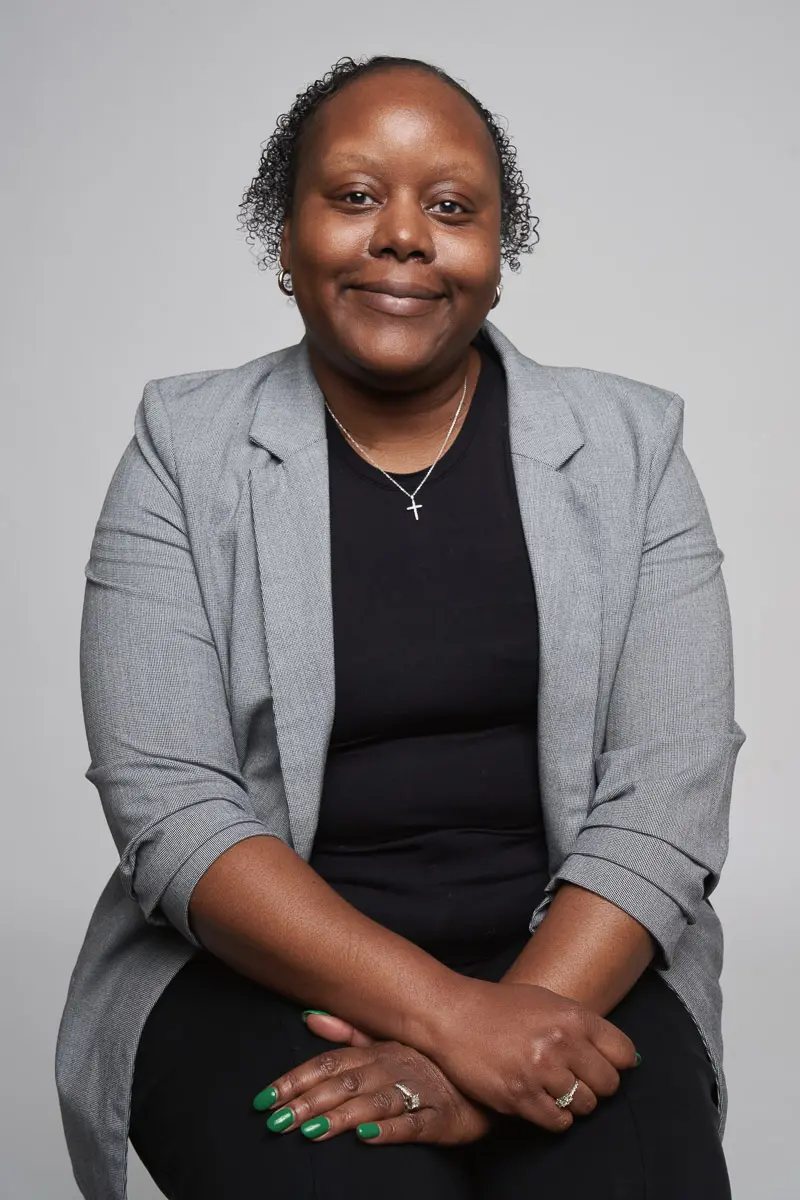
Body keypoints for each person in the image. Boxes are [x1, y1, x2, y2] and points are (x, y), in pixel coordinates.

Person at [55, 53, 747, 1200]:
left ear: (494, 252)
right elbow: (170, 809)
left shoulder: (631, 447)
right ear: (284, 239)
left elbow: (668, 797)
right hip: (266, 972)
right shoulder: (184, 449)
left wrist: (480, 1050)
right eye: (355, 195)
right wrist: (455, 1024)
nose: (404, 237)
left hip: (576, 961)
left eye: (450, 207)